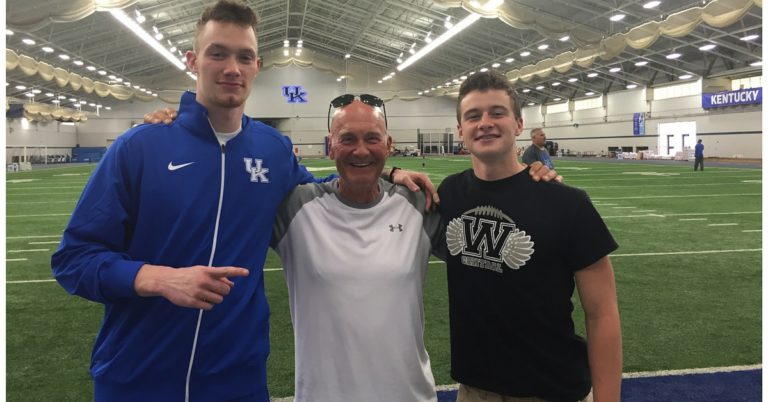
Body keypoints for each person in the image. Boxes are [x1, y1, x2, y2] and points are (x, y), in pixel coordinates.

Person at [50, 2, 433, 401]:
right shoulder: (139, 147)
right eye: (218, 53)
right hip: (138, 378)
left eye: (244, 57)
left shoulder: (273, 151)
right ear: (193, 61)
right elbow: (73, 259)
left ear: (257, 66)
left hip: (237, 381)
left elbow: (327, 191)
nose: (232, 67)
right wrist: (159, 279)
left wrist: (388, 172)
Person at [437, 71, 622, 402]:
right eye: (473, 116)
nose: (485, 123)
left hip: (551, 391)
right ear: (460, 131)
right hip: (474, 392)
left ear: (519, 124)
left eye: (497, 112)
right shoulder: (449, 194)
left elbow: (602, 313)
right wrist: (394, 171)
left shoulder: (568, 203)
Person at [272, 97, 441, 402]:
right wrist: (171, 131)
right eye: (347, 139)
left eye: (372, 138)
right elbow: (228, 188)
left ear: (388, 145)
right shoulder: (295, 207)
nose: (360, 150)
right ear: (332, 146)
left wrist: (533, 174)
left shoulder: (418, 204)